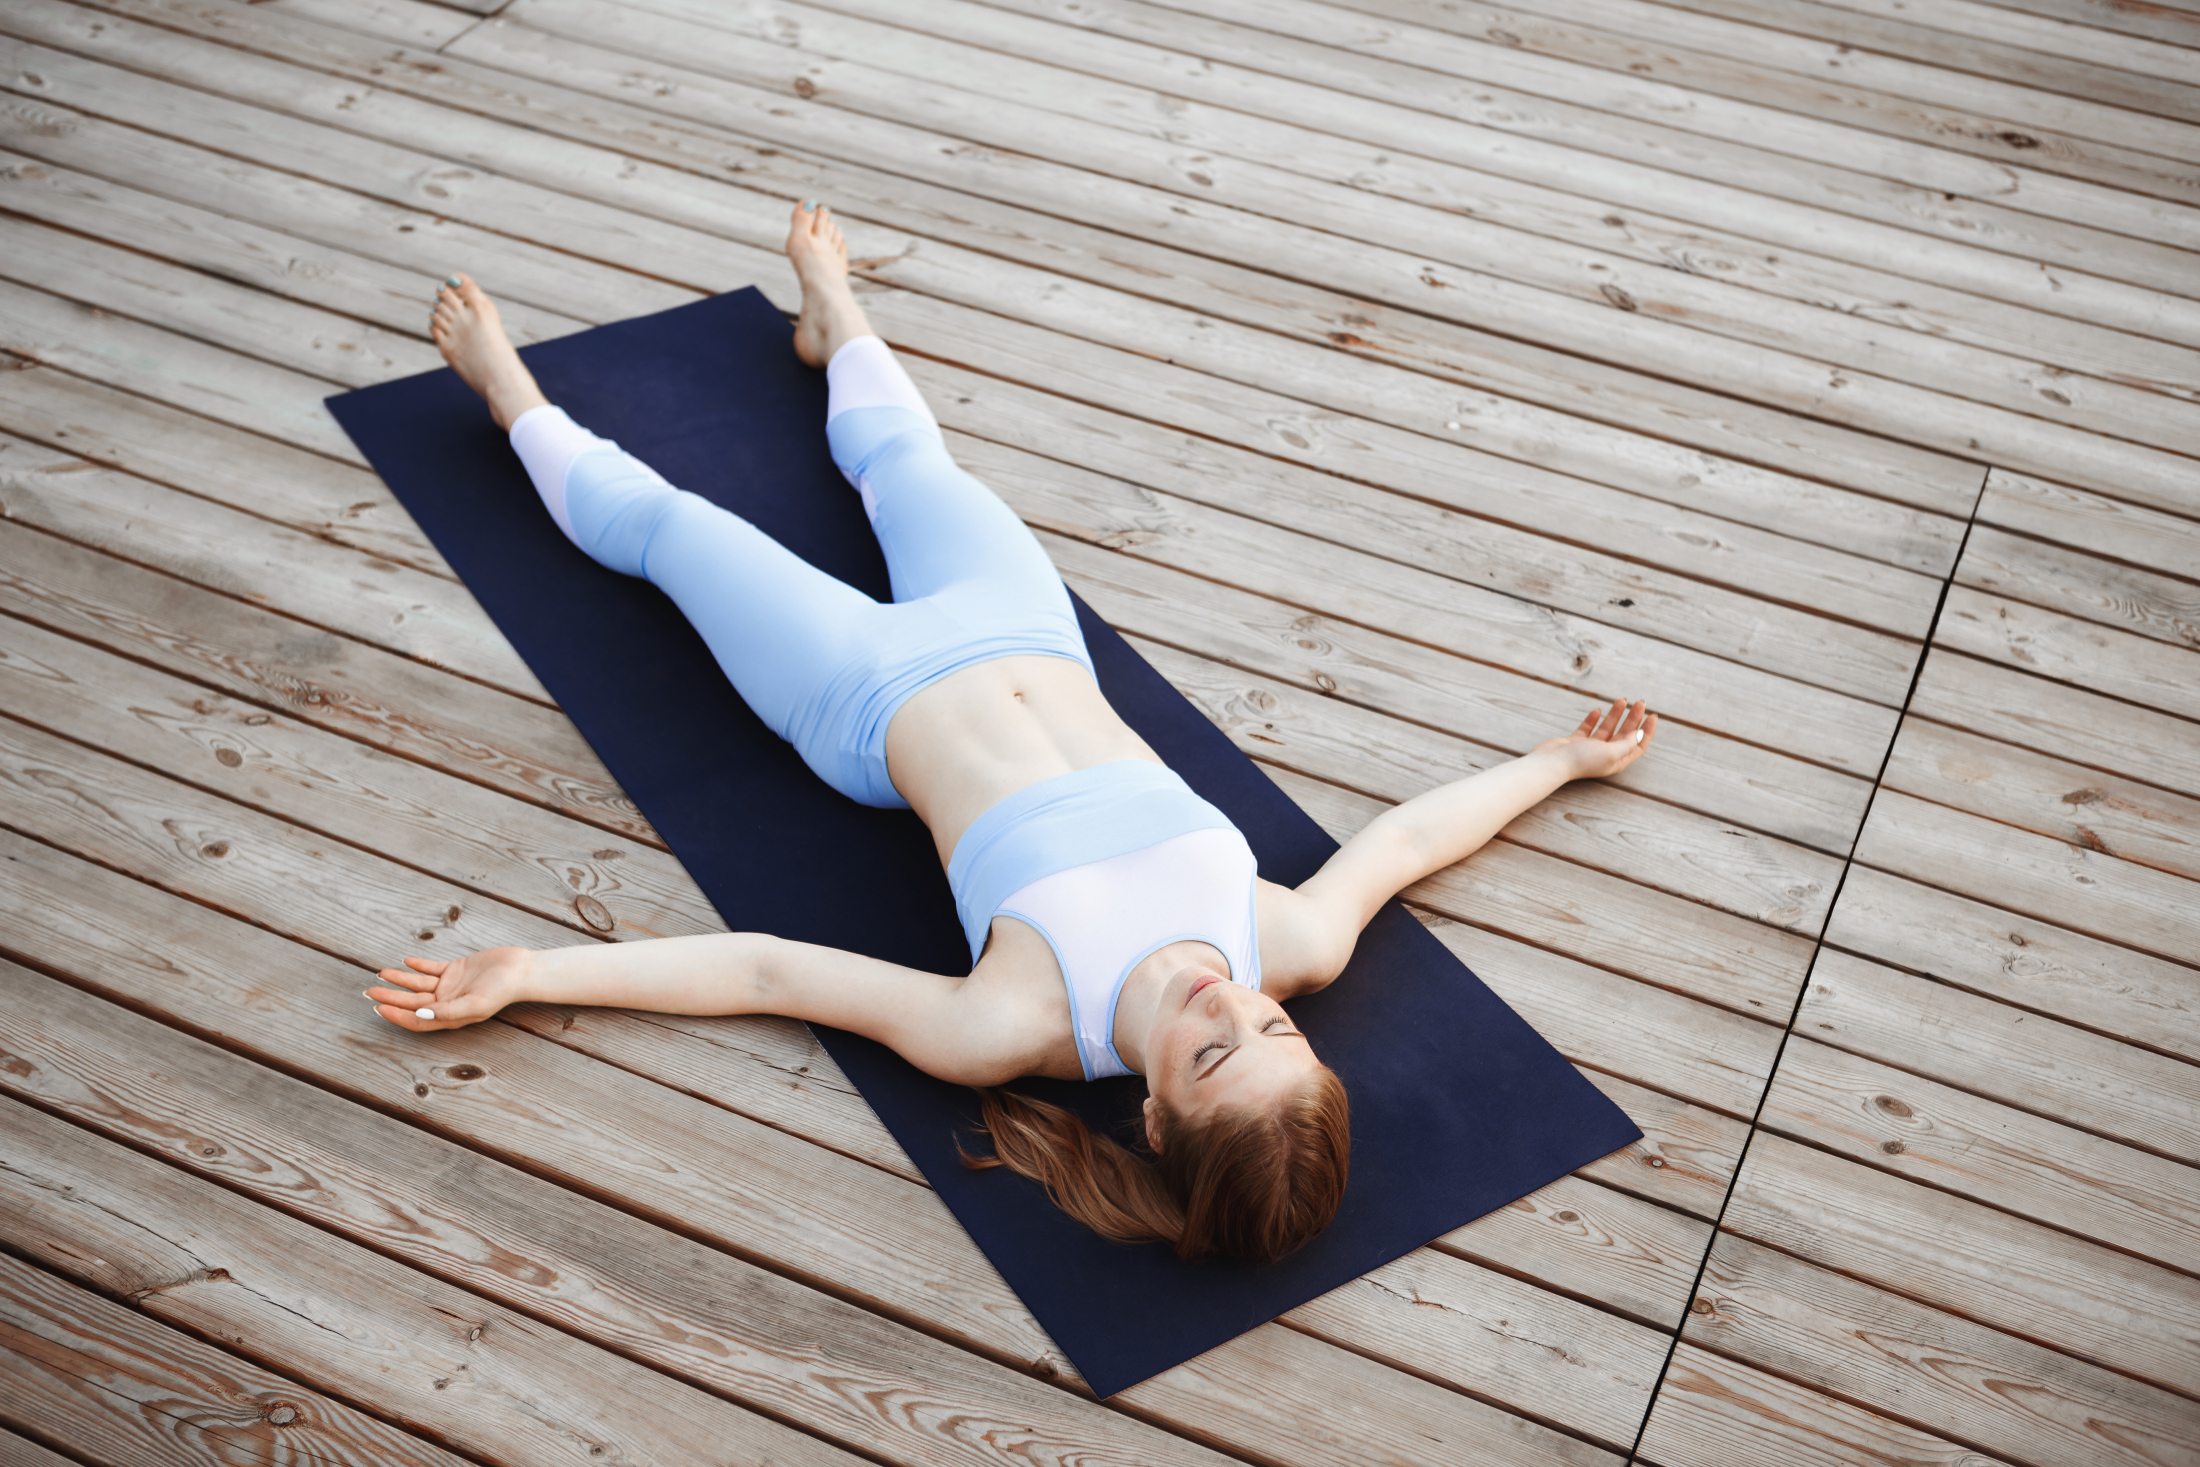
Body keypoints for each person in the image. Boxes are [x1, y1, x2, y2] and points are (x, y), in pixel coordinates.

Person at [370, 200, 1658, 1264]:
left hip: (862, 694)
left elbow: (768, 974)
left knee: (674, 531)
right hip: (1029, 632)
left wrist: (536, 974)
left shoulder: (1013, 1027)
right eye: (1278, 1034)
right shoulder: (1290, 945)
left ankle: (510, 398)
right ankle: (837, 319)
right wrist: (1558, 762)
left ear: (1156, 1121)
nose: (1232, 1004)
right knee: (912, 467)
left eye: (1212, 1053)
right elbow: (1411, 843)